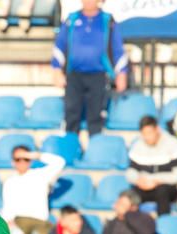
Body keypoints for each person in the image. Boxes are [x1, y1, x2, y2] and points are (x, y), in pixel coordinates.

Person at [51, 0, 128, 137]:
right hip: (74, 75)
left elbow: (118, 49)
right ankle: (71, 145)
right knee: (71, 113)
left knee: (96, 115)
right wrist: (56, 70)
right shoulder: (71, 19)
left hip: (98, 75)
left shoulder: (107, 21)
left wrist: (121, 73)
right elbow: (59, 46)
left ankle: (95, 147)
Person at [0, 146, 65, 234]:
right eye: (18, 159)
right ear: (13, 162)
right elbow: (7, 207)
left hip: (38, 222)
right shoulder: (9, 182)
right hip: (17, 224)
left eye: (25, 159)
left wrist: (33, 155)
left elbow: (60, 162)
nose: (22, 162)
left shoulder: (40, 175)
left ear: (30, 160)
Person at [126, 115, 177, 216]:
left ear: (157, 129)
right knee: (129, 196)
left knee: (162, 191)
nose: (147, 137)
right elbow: (130, 172)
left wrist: (156, 180)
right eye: (144, 134)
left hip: (167, 188)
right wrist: (138, 180)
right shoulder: (138, 145)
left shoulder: (173, 144)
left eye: (149, 133)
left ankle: (163, 223)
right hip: (144, 186)